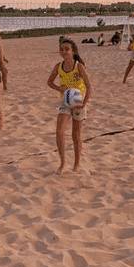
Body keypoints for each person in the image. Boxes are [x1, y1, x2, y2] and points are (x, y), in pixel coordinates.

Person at [47, 39, 92, 172]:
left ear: (73, 51)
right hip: (65, 102)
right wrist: (58, 88)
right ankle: (62, 162)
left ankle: (76, 164)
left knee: (76, 135)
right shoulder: (58, 66)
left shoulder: (79, 66)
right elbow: (49, 82)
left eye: (67, 49)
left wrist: (84, 103)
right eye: (62, 49)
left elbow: (89, 86)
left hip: (78, 103)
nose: (64, 51)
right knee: (59, 132)